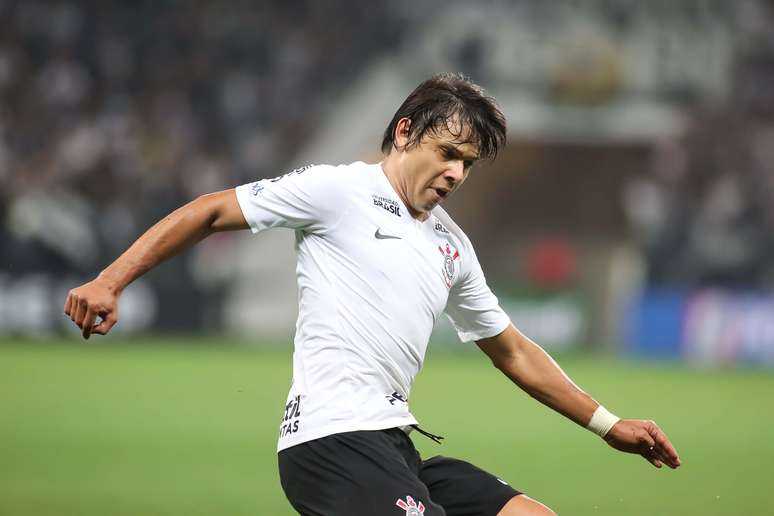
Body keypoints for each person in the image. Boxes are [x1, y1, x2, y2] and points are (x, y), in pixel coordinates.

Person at [64, 73, 680, 516]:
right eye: (447, 153)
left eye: (467, 163)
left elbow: (512, 350)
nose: (457, 174)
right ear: (406, 132)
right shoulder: (338, 191)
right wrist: (110, 280)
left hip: (394, 446)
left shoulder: (451, 247)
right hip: (329, 444)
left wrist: (608, 424)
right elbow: (212, 210)